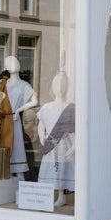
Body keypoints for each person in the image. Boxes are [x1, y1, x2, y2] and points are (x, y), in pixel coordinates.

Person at [0, 56, 38, 177]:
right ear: (6, 67)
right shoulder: (2, 83)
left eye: (15, 61)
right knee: (4, 146)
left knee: (17, 147)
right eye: (9, 62)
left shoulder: (24, 85)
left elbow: (34, 101)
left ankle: (20, 178)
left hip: (14, 121)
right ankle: (5, 174)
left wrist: (19, 109)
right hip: (2, 121)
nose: (13, 63)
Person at [36, 72, 75, 207]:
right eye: (57, 84)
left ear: (67, 87)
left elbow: (75, 130)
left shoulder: (71, 107)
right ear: (53, 86)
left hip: (64, 144)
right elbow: (41, 125)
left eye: (63, 85)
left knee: (62, 169)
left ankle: (61, 196)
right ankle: (46, 196)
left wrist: (74, 146)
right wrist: (41, 136)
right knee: (50, 169)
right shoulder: (46, 107)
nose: (60, 88)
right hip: (50, 143)